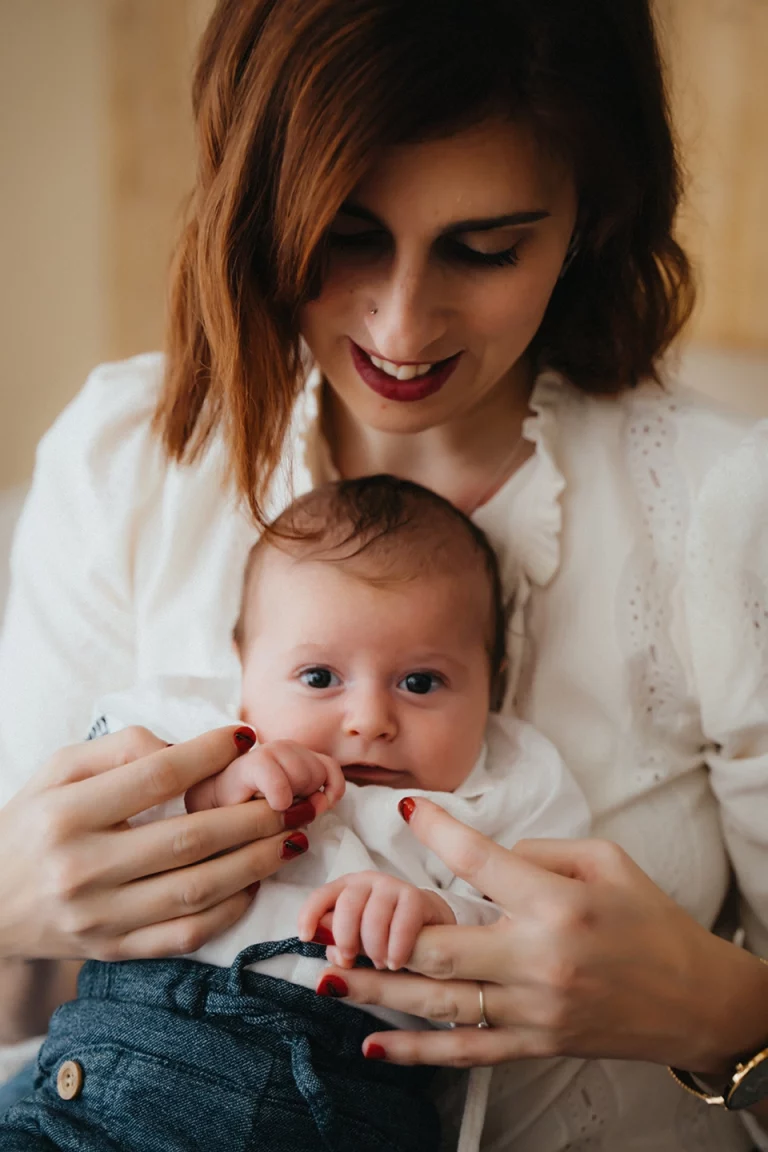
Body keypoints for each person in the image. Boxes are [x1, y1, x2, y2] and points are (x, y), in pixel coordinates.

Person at [0, 0, 766, 1148]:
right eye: (348, 235)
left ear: (591, 214)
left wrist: (718, 1016)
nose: (402, 326)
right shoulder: (129, 457)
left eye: (486, 246)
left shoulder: (725, 510)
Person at [0, 475, 589, 1151]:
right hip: (104, 1067)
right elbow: (93, 837)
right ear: (244, 669)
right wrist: (206, 797)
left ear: (494, 682)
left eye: (420, 682)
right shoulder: (193, 731)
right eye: (319, 678)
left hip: (334, 1105)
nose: (369, 721)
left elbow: (541, 942)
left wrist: (438, 919)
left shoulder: (503, 792)